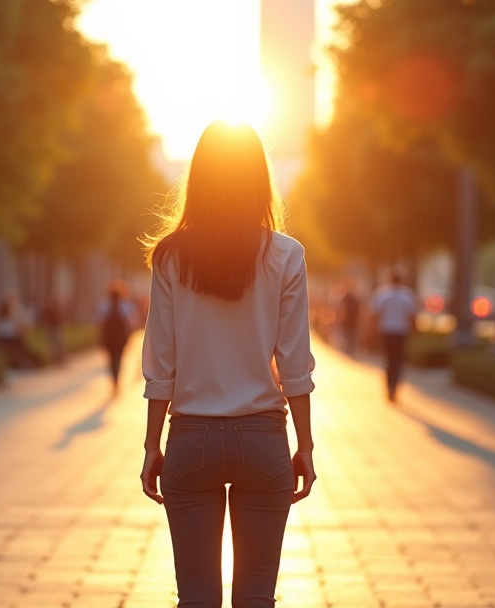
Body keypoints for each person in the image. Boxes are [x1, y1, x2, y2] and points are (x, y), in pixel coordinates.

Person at [140, 122, 317, 607]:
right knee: (257, 597)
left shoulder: (170, 256)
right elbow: (294, 364)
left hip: (190, 438)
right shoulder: (286, 255)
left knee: (196, 598)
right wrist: (304, 445)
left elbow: (161, 364)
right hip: (262, 438)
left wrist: (152, 445)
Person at [370, 269, 417, 402]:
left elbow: (375, 314)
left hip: (386, 330)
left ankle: (389, 386)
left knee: (389, 360)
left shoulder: (382, 294)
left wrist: (372, 331)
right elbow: (411, 315)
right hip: (401, 331)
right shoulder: (407, 295)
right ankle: (394, 386)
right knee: (398, 360)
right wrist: (414, 331)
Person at [97, 280, 138, 389]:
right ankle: (116, 376)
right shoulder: (125, 305)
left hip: (109, 337)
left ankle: (115, 378)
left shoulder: (105, 304)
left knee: (111, 359)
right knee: (118, 357)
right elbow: (132, 321)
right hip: (120, 337)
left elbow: (100, 322)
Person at [0, 298, 36, 368]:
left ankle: (25, 361)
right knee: (20, 343)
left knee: (21, 341)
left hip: (6, 341)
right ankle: (25, 362)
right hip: (11, 341)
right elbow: (15, 331)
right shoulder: (7, 321)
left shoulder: (1, 321)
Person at [338, 280, 362, 355]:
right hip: (353, 320)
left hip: (347, 321)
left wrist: (340, 319)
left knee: (347, 336)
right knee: (351, 336)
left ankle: (347, 352)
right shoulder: (355, 298)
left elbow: (343, 309)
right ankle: (350, 351)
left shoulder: (345, 297)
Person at [39, 297, 65, 365]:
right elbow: (47, 319)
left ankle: (59, 359)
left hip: (54, 327)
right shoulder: (49, 309)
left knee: (57, 344)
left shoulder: (52, 309)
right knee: (55, 344)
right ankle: (56, 360)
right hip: (52, 328)